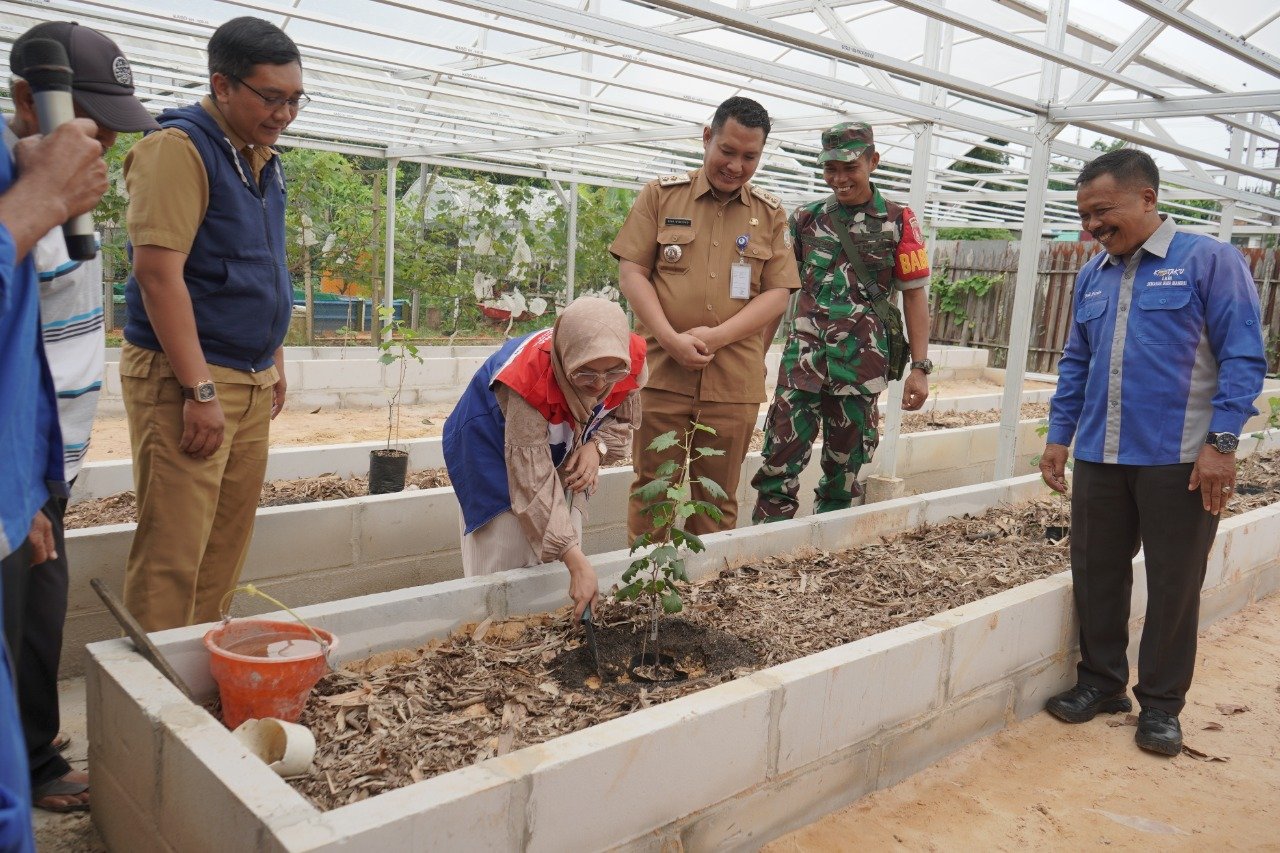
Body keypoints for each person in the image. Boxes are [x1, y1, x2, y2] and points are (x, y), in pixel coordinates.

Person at [1039, 148, 1266, 756]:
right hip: (1103, 455)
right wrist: (1060, 435)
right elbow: (1077, 362)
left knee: (1173, 583)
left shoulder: (1210, 262)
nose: (1092, 226)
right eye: (1084, 215)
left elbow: (1244, 357)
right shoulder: (1093, 274)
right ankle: (1101, 683)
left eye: (1103, 211)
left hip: (1182, 459)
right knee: (1095, 572)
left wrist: (1221, 444)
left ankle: (1162, 705)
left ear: (1147, 199)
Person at [2, 21, 159, 814]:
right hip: (21, 463)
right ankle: (25, 763)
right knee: (24, 613)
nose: (102, 148)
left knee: (40, 606)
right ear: (29, 101)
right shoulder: (22, 193)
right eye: (88, 124)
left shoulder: (65, 200)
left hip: (43, 458)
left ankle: (31, 734)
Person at [120, 17, 303, 633]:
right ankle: (153, 699)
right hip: (190, 378)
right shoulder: (179, 149)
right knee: (174, 550)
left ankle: (197, 671)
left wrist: (272, 355)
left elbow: (264, 265)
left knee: (225, 541)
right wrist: (198, 389)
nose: (285, 113)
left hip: (246, 376)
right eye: (271, 97)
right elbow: (157, 275)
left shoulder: (261, 159)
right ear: (222, 86)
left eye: (295, 99)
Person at [611, 96, 800, 538]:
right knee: (652, 491)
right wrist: (670, 338)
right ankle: (646, 591)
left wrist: (715, 339)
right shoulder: (661, 195)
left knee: (715, 499)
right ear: (707, 138)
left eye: (749, 156)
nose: (736, 165)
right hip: (662, 372)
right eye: (727, 151)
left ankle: (705, 593)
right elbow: (632, 272)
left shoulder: (770, 214)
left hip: (732, 382)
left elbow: (777, 294)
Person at [0, 110, 109, 853]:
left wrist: (27, 486)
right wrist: (34, 204)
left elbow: (23, 361)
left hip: (28, 471)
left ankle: (30, 756)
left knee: (38, 611)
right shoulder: (31, 190)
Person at [751, 122, 932, 523]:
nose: (839, 178)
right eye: (830, 168)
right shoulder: (805, 219)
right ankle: (764, 548)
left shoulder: (899, 220)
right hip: (801, 365)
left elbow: (916, 295)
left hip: (859, 368)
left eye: (849, 167)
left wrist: (920, 368)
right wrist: (756, 355)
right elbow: (779, 293)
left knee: (843, 474)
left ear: (873, 161)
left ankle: (824, 552)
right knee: (776, 467)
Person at [443, 298, 646, 619]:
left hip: (562, 439)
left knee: (566, 531)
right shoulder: (526, 382)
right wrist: (577, 562)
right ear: (564, 359)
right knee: (504, 551)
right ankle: (493, 627)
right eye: (585, 374)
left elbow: (622, 420)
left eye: (612, 373)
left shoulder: (629, 359)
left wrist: (596, 448)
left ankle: (554, 618)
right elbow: (531, 477)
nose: (599, 384)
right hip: (491, 445)